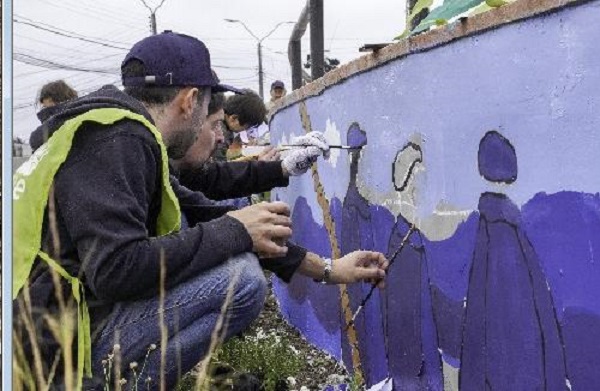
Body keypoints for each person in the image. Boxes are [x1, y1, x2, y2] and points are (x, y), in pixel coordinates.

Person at [13, 31, 389, 390]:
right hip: (52, 353)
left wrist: (327, 269)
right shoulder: (118, 140)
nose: (213, 129)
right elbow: (116, 270)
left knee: (232, 258)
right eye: (209, 111)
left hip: (53, 330)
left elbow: (203, 207)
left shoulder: (118, 134)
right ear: (189, 99)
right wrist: (234, 230)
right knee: (241, 281)